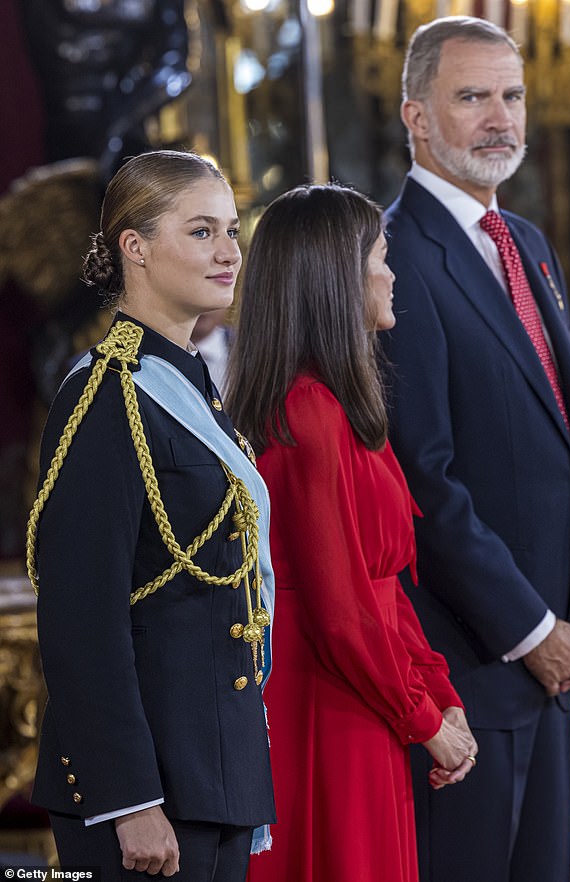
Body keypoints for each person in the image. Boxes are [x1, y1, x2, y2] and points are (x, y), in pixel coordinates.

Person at [381, 16, 570, 882]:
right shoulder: (393, 254)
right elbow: (425, 482)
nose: (499, 118)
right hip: (469, 675)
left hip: (557, 660)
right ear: (415, 115)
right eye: (472, 96)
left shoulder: (527, 244)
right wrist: (529, 629)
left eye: (511, 95)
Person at [26, 149, 275, 880]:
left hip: (214, 773)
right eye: (201, 231)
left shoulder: (192, 387)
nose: (229, 251)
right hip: (149, 790)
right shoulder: (106, 396)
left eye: (231, 230)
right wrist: (129, 797)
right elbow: (80, 615)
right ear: (134, 248)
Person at [225, 183, 477, 882]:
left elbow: (385, 587)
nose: (391, 274)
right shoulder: (306, 412)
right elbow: (340, 615)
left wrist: (438, 696)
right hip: (328, 707)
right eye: (380, 257)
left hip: (367, 696)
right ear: (336, 279)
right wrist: (423, 718)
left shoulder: (337, 407)